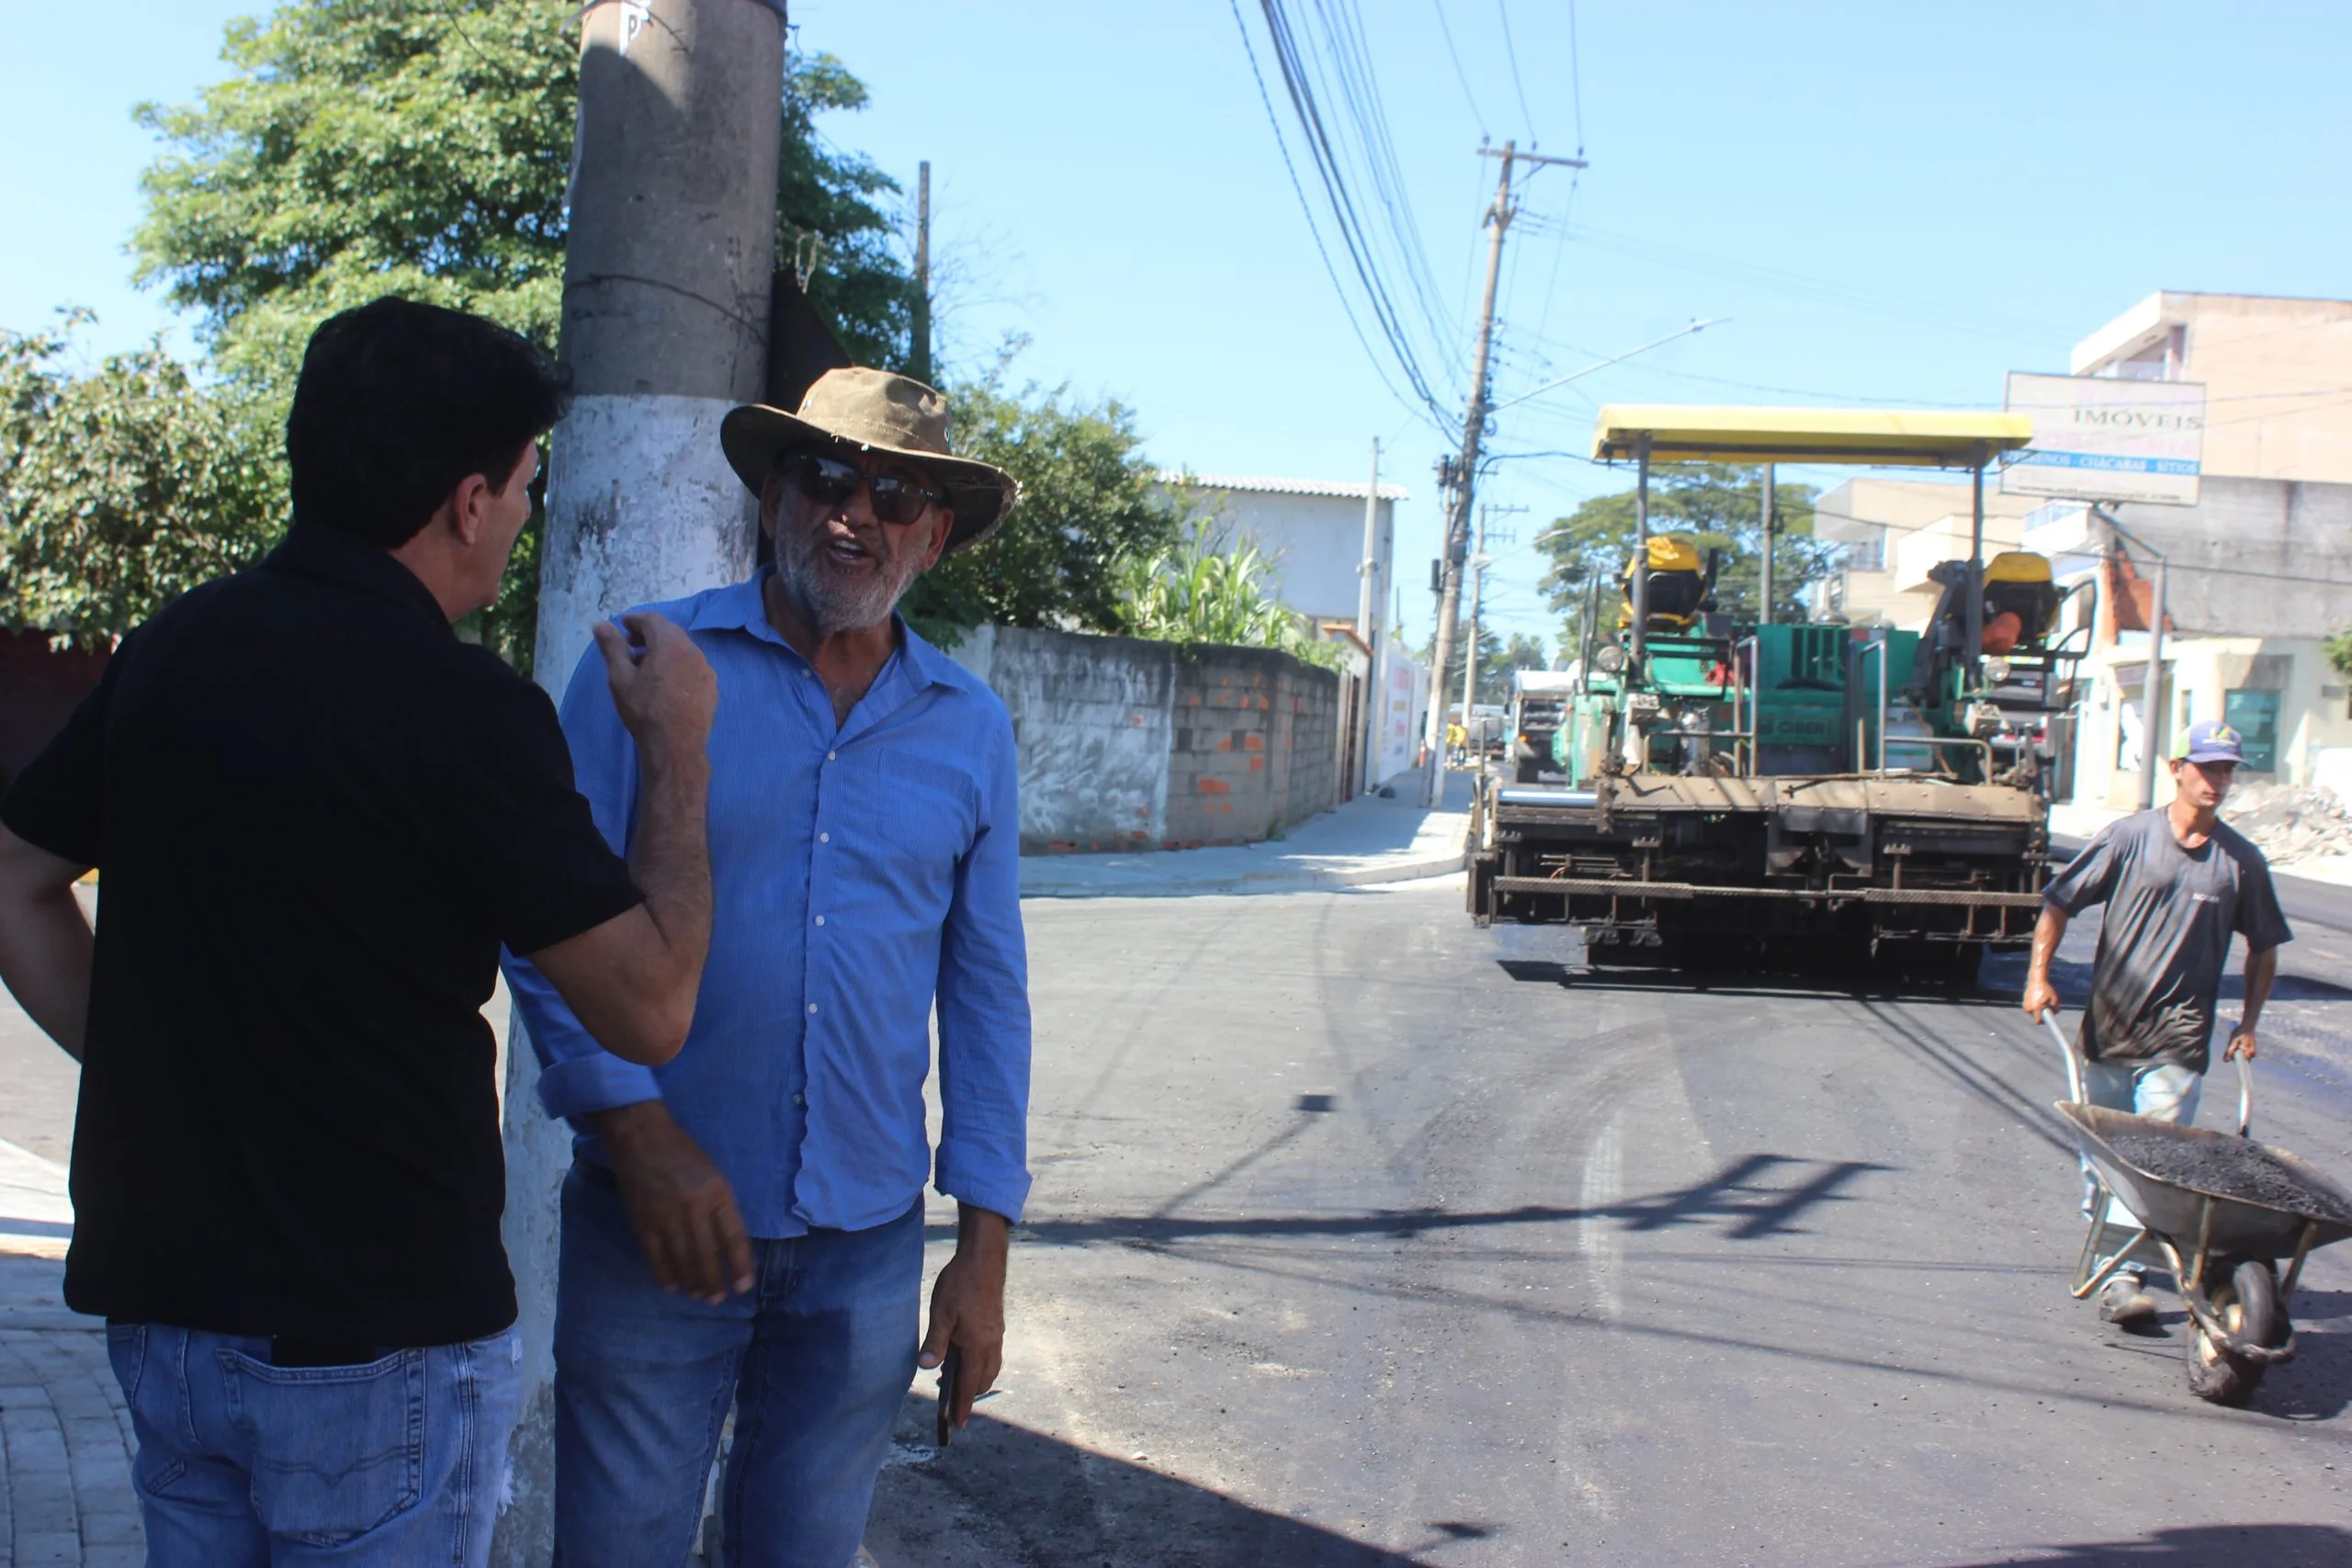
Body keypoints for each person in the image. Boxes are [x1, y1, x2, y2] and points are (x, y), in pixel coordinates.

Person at [0, 297, 719, 1568]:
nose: (522, 515)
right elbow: (651, 1007)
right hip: (377, 1338)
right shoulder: (463, 707)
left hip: (166, 1312)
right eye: (526, 487)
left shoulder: (171, 651)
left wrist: (143, 1061)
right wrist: (676, 748)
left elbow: (15, 879)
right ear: (467, 501)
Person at [502, 366, 1033, 1567]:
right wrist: (636, 1133)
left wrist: (984, 1248)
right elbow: (543, 921)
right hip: (651, 1231)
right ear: (774, 494)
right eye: (827, 477)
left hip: (863, 1246)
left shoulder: (969, 726)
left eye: (896, 497)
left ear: (934, 536)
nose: (856, 514)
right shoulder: (650, 665)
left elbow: (987, 994)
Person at [2022, 718, 2291, 1326]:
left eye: (2227, 770)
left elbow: (2264, 947)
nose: (2217, 780)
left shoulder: (2241, 861)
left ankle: (2123, 1276)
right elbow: (2059, 902)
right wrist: (2038, 976)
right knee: (2104, 1157)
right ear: (2177, 769)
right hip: (2110, 1027)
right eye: (2207, 767)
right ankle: (2111, 1247)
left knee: (2153, 1158)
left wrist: (2249, 1021)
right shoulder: (2129, 837)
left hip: (2180, 1036)